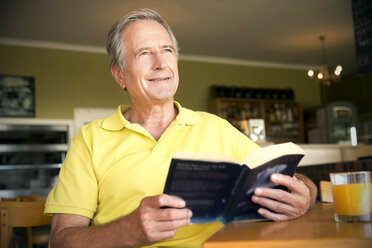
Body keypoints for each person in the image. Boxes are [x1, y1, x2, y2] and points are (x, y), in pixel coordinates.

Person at [45, 8, 317, 248]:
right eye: (144, 53)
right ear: (120, 75)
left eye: (167, 50)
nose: (161, 63)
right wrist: (128, 231)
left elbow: (293, 179)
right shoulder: (90, 139)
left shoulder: (217, 128)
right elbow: (61, 240)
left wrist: (305, 194)